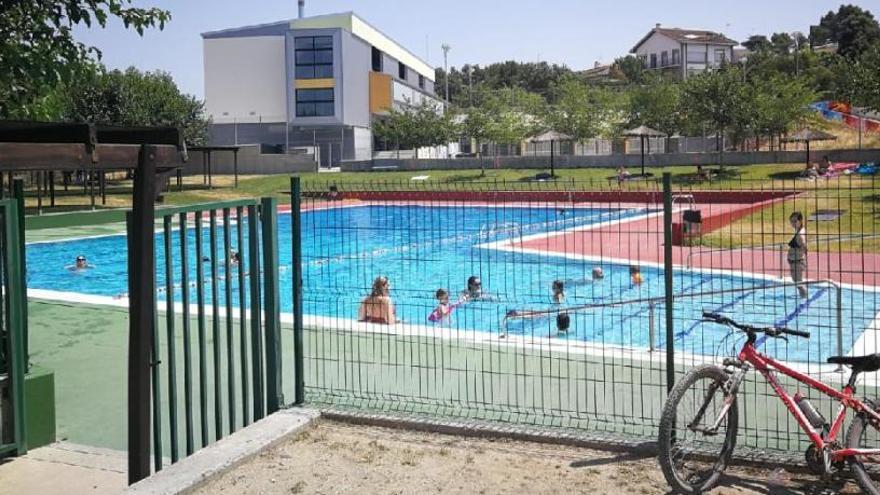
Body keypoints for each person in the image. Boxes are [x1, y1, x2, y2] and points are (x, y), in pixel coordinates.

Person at [788, 212, 808, 298]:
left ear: (800, 221)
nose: (793, 223)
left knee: (799, 283)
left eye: (795, 221)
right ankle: (803, 298)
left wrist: (801, 259)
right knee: (797, 283)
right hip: (795, 262)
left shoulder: (800, 234)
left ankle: (805, 300)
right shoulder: (799, 231)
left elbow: (804, 246)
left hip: (797, 262)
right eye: (791, 221)